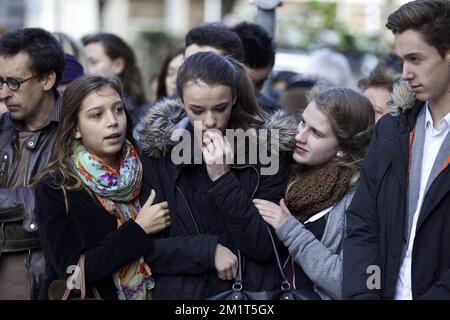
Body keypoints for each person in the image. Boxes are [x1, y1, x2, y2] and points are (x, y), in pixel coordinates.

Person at [135, 51, 295, 299]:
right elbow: (146, 249)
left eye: (219, 108)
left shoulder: (266, 151)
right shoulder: (159, 153)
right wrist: (207, 251)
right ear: (180, 101)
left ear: (233, 98)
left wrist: (223, 178)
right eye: (197, 110)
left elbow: (265, 246)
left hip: (246, 295)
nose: (210, 121)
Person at [343, 0, 450, 300]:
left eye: (416, 59)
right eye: (401, 60)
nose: (405, 73)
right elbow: (364, 225)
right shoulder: (391, 130)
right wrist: (367, 293)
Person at [34, 75, 171, 300]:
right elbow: (73, 276)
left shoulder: (148, 166)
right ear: (76, 128)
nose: (112, 121)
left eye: (117, 110)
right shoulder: (55, 187)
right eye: (97, 115)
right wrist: (138, 229)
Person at [253, 82, 374, 299]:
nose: (300, 136)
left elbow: (345, 281)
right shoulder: (279, 167)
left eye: (316, 133)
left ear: (343, 149)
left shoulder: (354, 198)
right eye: (302, 123)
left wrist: (289, 229)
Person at [0, 27, 65, 300]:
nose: (4, 93)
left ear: (47, 79)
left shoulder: (78, 130)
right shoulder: (1, 130)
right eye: (0, 81)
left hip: (46, 283)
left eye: (14, 83)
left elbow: (65, 201)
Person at [82, 33, 147, 127]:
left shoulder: (145, 118)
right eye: (82, 62)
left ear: (118, 65)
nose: (84, 69)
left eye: (92, 62)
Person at [232, 21, 281, 114]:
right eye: (243, 83)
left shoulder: (273, 115)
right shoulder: (202, 108)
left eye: (259, 83)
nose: (251, 93)